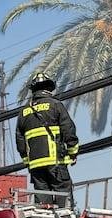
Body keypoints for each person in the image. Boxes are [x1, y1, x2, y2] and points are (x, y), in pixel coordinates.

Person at [15, 72, 79, 208]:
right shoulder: (56, 105)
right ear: (49, 88)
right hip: (55, 161)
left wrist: (27, 161)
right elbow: (68, 129)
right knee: (62, 191)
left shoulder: (24, 113)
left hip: (35, 165)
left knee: (42, 196)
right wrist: (73, 152)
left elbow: (20, 141)